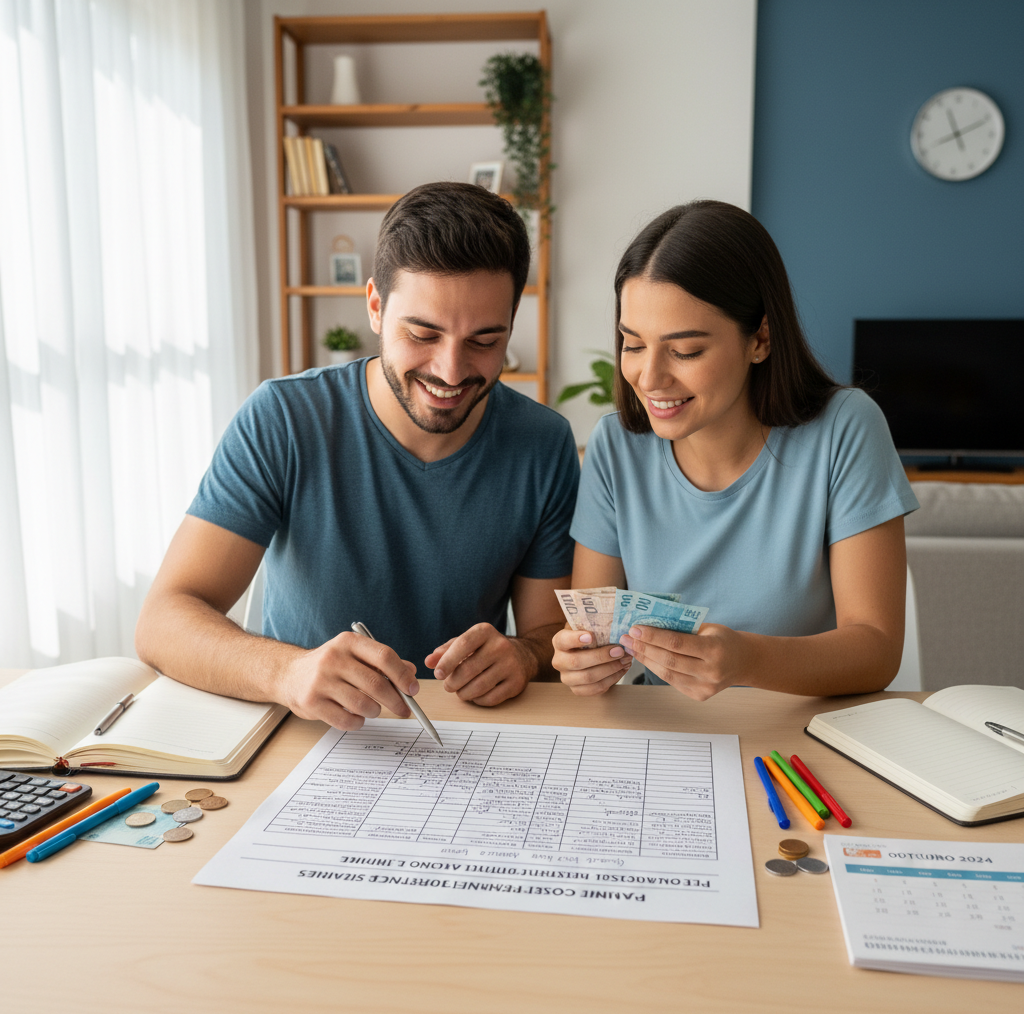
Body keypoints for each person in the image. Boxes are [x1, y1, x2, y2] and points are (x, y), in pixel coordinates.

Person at [136, 182, 579, 730]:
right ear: (375, 306)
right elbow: (162, 621)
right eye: (422, 333)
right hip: (302, 734)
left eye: (485, 341)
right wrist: (288, 672)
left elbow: (547, 638)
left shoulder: (543, 443)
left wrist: (525, 655)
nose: (451, 370)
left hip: (463, 741)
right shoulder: (284, 419)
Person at [553, 200, 919, 700]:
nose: (650, 377)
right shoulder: (616, 445)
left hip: (800, 737)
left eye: (685, 351)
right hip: (670, 741)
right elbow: (588, 636)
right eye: (633, 344)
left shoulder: (845, 429)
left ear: (761, 339)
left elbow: (877, 651)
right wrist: (583, 664)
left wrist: (747, 660)